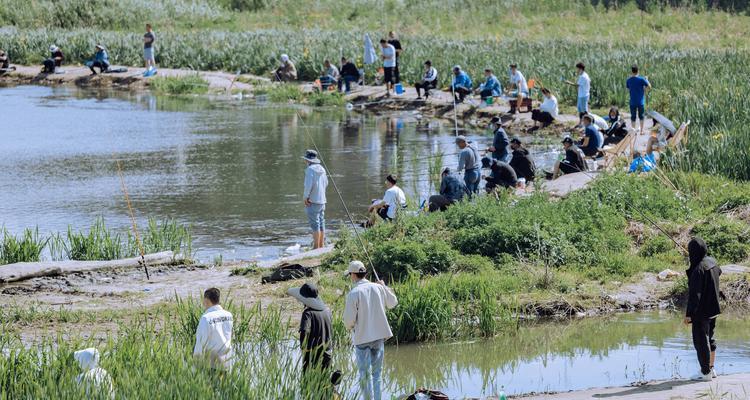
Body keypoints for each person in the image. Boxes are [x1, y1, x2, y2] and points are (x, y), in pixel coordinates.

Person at [343, 260, 398, 400]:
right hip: (379, 337)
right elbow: (393, 303)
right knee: (377, 374)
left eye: (350, 274)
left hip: (362, 339)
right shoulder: (378, 288)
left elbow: (349, 321)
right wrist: (384, 287)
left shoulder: (353, 293)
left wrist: (351, 328)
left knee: (364, 375)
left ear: (353, 275)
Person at [684, 237, 722, 381]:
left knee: (701, 341)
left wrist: (689, 315)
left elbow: (695, 296)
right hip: (713, 308)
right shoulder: (712, 262)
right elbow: (719, 272)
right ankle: (711, 369)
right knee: (710, 338)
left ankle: (705, 373)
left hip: (702, 312)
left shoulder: (698, 270)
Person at [288, 283, 333, 374]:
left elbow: (305, 331)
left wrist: (304, 348)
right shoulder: (327, 311)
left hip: (312, 356)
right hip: (327, 354)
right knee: (325, 382)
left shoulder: (308, 313)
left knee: (308, 384)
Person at [194, 288, 234, 370]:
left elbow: (201, 342)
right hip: (227, 361)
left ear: (206, 300)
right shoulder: (228, 315)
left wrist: (195, 364)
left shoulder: (206, 318)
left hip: (211, 363)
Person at [303, 150, 328, 249]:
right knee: (321, 223)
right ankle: (321, 246)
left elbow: (308, 186)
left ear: (308, 160)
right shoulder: (322, 169)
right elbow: (326, 183)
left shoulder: (310, 170)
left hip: (312, 201)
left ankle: (316, 247)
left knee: (315, 224)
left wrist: (305, 197)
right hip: (322, 200)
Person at [626, 65, 651, 135]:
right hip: (640, 102)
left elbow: (628, 89)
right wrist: (646, 79)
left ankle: (633, 132)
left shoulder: (628, 80)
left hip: (632, 102)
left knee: (633, 117)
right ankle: (641, 131)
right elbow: (649, 87)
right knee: (641, 116)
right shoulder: (642, 79)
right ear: (638, 71)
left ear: (631, 71)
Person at [565, 62, 591, 126]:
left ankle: (587, 123)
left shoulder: (583, 76)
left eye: (577, 69)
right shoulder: (582, 75)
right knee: (580, 109)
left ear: (580, 69)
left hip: (583, 95)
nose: (576, 70)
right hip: (581, 95)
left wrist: (568, 83)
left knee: (584, 110)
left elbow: (577, 85)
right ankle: (580, 122)